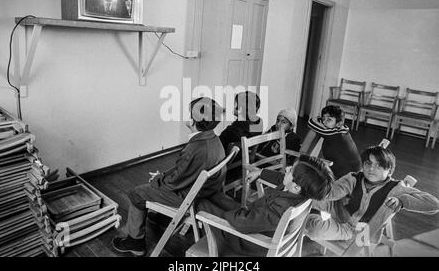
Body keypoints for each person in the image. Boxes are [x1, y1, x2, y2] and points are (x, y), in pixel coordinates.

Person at [111, 97, 225, 256]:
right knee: (152, 186)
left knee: (136, 193)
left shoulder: (195, 148)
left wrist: (158, 179)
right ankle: (158, 220)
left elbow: (174, 182)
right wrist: (164, 175)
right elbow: (184, 171)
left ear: (192, 121)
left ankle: (135, 242)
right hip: (205, 191)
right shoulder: (214, 140)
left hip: (189, 198)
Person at [196, 156, 335, 256]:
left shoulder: (281, 208)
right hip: (255, 220)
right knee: (216, 196)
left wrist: (225, 212)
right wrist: (260, 172)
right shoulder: (303, 194)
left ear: (296, 186)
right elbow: (282, 178)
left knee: (202, 204)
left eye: (290, 170)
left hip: (250, 243)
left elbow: (242, 223)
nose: (286, 169)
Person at [305, 146, 439, 242]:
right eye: (368, 163)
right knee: (307, 199)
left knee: (314, 228)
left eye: (379, 165)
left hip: (354, 230)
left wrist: (403, 201)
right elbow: (331, 193)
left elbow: (434, 204)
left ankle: (309, 219)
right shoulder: (353, 178)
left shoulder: (395, 188)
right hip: (338, 211)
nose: (371, 169)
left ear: (390, 171)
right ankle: (310, 215)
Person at [304, 105, 361, 179]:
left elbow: (310, 122)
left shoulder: (335, 134)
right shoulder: (340, 129)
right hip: (346, 167)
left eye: (329, 120)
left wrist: (319, 120)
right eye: (323, 118)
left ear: (338, 124)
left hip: (348, 172)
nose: (324, 122)